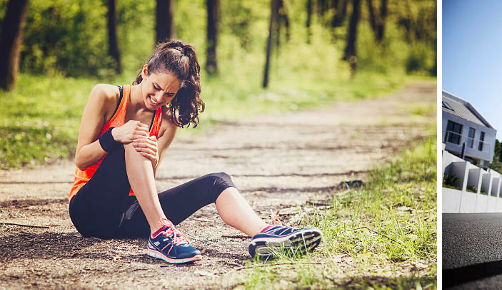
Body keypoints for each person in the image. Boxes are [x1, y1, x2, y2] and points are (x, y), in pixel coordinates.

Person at [68, 40, 322, 264]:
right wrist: (114, 136)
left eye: (169, 94)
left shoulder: (167, 122)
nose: (159, 98)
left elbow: (144, 181)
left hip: (128, 216)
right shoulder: (107, 95)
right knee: (135, 138)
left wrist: (153, 157)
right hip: (89, 210)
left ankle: (265, 233)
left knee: (216, 181)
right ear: (145, 72)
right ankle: (160, 234)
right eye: (155, 87)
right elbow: (81, 158)